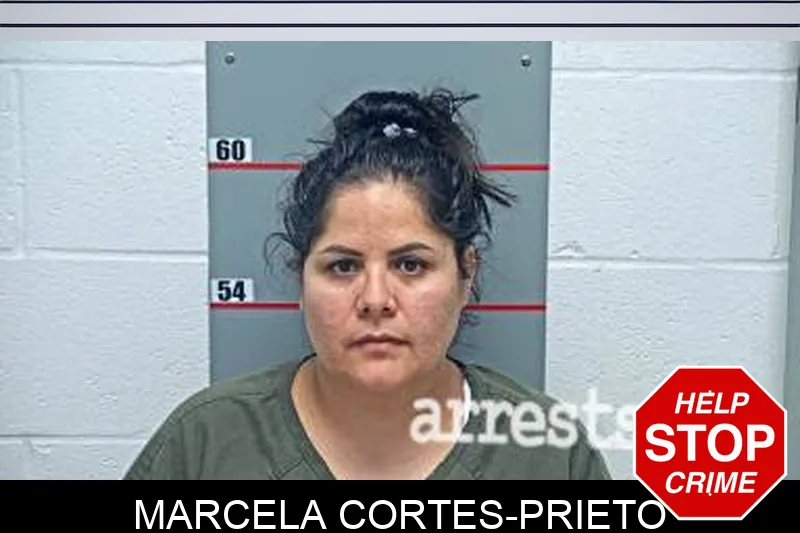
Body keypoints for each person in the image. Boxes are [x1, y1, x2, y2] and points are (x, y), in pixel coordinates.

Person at [125, 88, 611, 480]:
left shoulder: (549, 455)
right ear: (301, 280)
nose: (375, 300)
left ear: (467, 275)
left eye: (411, 265)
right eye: (343, 267)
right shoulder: (205, 443)